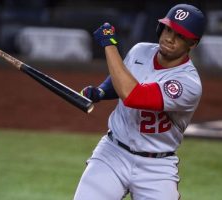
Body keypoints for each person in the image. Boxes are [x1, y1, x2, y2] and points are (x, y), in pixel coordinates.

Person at [74, 4, 206, 200]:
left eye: (180, 35)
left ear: (192, 44)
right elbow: (122, 77)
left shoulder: (187, 83)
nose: (169, 38)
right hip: (113, 152)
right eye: (168, 29)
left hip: (156, 168)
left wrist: (109, 45)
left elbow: (133, 95)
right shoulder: (140, 51)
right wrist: (102, 91)